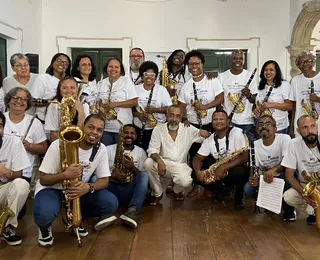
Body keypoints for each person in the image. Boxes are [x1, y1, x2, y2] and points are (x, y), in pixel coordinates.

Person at [33, 114, 118, 247]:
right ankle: (44, 229)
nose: (94, 133)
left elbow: (104, 180)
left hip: (77, 191)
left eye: (99, 130)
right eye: (90, 127)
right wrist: (65, 175)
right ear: (82, 127)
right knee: (45, 215)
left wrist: (88, 187)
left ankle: (73, 219)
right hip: (52, 189)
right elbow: (43, 179)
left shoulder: (101, 149)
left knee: (110, 203)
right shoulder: (58, 144)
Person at [178, 49, 224, 198]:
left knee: (211, 155)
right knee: (195, 155)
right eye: (190, 64)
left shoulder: (212, 81)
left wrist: (205, 107)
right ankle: (197, 185)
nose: (193, 66)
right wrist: (184, 118)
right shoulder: (186, 86)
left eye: (196, 63)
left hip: (211, 124)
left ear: (202, 64)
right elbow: (181, 106)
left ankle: (210, 186)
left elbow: (220, 98)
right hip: (193, 126)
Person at [144, 105, 210, 205]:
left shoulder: (187, 128)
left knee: (186, 182)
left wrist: (206, 133)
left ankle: (177, 190)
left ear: (181, 117)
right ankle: (158, 193)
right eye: (171, 115)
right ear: (166, 116)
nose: (174, 119)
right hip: (163, 163)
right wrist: (159, 161)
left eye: (177, 116)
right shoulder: (158, 129)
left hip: (180, 165)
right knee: (148, 163)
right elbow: (152, 149)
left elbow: (206, 137)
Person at [3, 87, 47, 218]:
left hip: (22, 173)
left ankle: (7, 224)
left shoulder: (34, 123)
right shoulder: (1, 119)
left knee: (18, 214)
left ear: (28, 103)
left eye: (23, 99)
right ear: (8, 101)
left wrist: (30, 146)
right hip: (1, 169)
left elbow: (43, 147)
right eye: (15, 97)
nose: (19, 101)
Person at [193, 109, 249, 210]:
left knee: (239, 172)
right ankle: (220, 192)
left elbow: (245, 157)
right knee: (193, 174)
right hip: (220, 170)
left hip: (236, 168)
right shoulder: (210, 139)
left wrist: (224, 167)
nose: (218, 121)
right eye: (215, 119)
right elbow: (197, 159)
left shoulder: (237, 132)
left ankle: (239, 197)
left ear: (228, 121)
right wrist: (198, 172)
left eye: (221, 119)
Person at [244, 115, 295, 220]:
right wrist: (253, 178)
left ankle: (289, 210)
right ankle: (270, 203)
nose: (264, 127)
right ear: (257, 129)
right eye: (261, 124)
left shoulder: (284, 138)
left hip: (282, 173)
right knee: (248, 189)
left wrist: (274, 170)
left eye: (268, 124)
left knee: (291, 176)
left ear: (275, 129)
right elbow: (254, 167)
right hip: (266, 176)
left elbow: (288, 161)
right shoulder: (255, 144)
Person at [106, 124, 148, 228]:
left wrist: (133, 168)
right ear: (120, 135)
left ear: (136, 136)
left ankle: (132, 211)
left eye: (132, 133)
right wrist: (112, 175)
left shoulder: (141, 152)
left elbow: (142, 179)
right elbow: (98, 174)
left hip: (129, 190)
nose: (129, 135)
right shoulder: (108, 149)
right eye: (126, 132)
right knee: (94, 179)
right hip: (111, 189)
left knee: (144, 176)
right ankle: (104, 212)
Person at [282, 115, 320, 225]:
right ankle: (313, 212)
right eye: (305, 127)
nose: (310, 131)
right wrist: (305, 196)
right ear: (298, 131)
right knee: (288, 197)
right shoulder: (293, 144)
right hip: (305, 186)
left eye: (312, 126)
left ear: (317, 127)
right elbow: (289, 176)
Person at [0, 111, 31, 246]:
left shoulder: (13, 141)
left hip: (3, 189)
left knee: (22, 184)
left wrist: (8, 173)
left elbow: (19, 174)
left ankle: (6, 226)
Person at [97, 57, 138, 146]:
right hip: (105, 129)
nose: (113, 69)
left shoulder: (126, 81)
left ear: (120, 69)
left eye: (116, 67)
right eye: (110, 66)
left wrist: (115, 104)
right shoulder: (100, 83)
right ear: (106, 68)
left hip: (123, 129)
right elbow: (98, 103)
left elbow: (134, 102)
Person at [133, 61, 172, 151]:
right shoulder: (135, 89)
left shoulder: (161, 90)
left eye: (152, 74)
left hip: (157, 129)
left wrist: (155, 110)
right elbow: (131, 108)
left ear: (155, 77)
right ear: (142, 76)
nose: (149, 77)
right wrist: (139, 115)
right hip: (139, 129)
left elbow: (170, 109)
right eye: (146, 74)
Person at [217, 50, 257, 133]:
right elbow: (218, 100)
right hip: (229, 121)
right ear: (230, 60)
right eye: (235, 58)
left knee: (246, 145)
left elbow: (255, 100)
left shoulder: (249, 75)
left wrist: (249, 95)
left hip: (246, 122)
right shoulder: (221, 77)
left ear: (243, 61)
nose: (238, 60)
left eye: (240, 58)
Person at [44, 76, 90, 142]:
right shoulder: (54, 105)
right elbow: (53, 135)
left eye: (72, 88)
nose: (69, 91)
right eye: (65, 88)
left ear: (77, 90)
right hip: (59, 143)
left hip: (79, 144)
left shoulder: (85, 106)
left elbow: (83, 132)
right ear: (59, 91)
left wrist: (80, 111)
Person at [30, 53, 71, 123]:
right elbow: (32, 101)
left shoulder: (69, 81)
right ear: (52, 63)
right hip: (43, 122)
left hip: (63, 122)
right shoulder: (43, 78)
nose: (62, 64)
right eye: (59, 60)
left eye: (66, 63)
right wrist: (53, 102)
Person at [253, 60, 292, 134]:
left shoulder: (284, 85)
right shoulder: (260, 87)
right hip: (263, 128)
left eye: (271, 70)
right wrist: (255, 111)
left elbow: (290, 106)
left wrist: (270, 105)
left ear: (276, 72)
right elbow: (256, 105)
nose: (268, 72)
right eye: (266, 70)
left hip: (279, 128)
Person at [289, 50, 320, 137]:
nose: (305, 64)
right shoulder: (295, 80)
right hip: (301, 126)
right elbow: (294, 105)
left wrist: (317, 99)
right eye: (302, 62)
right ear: (298, 65)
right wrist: (292, 127)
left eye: (308, 61)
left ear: (313, 63)